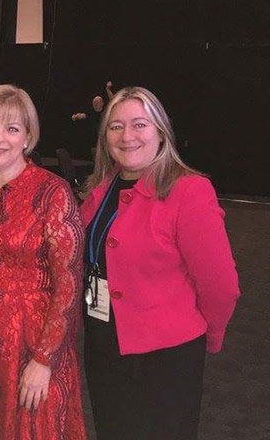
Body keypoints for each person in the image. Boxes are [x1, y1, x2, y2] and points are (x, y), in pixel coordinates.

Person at [80, 86, 240, 440]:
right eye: (116, 126)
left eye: (140, 124)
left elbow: (221, 285)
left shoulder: (189, 190)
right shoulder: (100, 190)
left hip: (166, 356)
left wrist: (209, 338)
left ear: (161, 132)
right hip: (105, 347)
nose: (128, 136)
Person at [0, 85, 86, 439]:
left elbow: (68, 285)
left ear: (27, 137)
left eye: (12, 129)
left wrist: (43, 360)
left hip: (32, 340)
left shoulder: (51, 192)